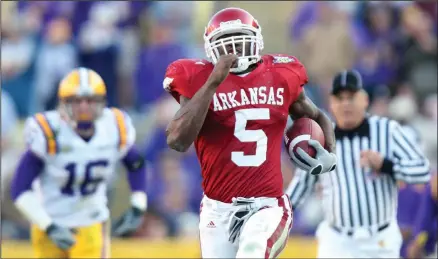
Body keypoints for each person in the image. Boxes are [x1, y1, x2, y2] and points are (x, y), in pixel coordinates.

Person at [163, 7, 337, 258]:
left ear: (256, 40)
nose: (234, 49)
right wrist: (213, 82)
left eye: (241, 40)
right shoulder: (198, 76)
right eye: (225, 44)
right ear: (210, 48)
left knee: (252, 252)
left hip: (267, 206)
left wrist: (330, 150)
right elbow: (177, 140)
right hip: (217, 211)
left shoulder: (281, 73)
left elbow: (316, 115)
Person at [286, 69, 431, 258]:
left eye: (351, 97)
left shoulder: (387, 130)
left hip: (380, 240)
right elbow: (300, 187)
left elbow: (423, 171)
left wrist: (387, 165)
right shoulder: (319, 138)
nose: (346, 103)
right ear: (331, 103)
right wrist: (277, 217)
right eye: (340, 98)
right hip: (337, 241)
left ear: (364, 100)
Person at [10, 68, 148, 258]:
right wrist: (49, 226)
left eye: (90, 100)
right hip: (49, 220)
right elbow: (19, 189)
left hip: (91, 222)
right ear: (63, 103)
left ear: (102, 102)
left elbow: (136, 164)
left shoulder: (114, 126)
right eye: (76, 100)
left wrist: (138, 206)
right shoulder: (48, 131)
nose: (83, 107)